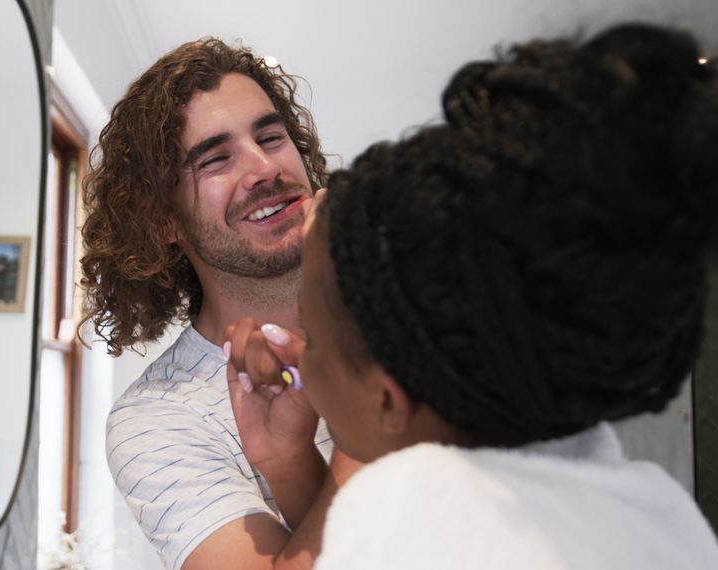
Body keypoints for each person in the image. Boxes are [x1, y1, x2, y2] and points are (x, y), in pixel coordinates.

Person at [227, 22, 718, 569]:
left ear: (386, 398)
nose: (299, 355)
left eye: (313, 337)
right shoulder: (654, 514)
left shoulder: (403, 532)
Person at [80, 38, 355, 569]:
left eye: (271, 137)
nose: (264, 169)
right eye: (215, 160)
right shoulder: (159, 420)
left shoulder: (414, 293)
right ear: (162, 221)